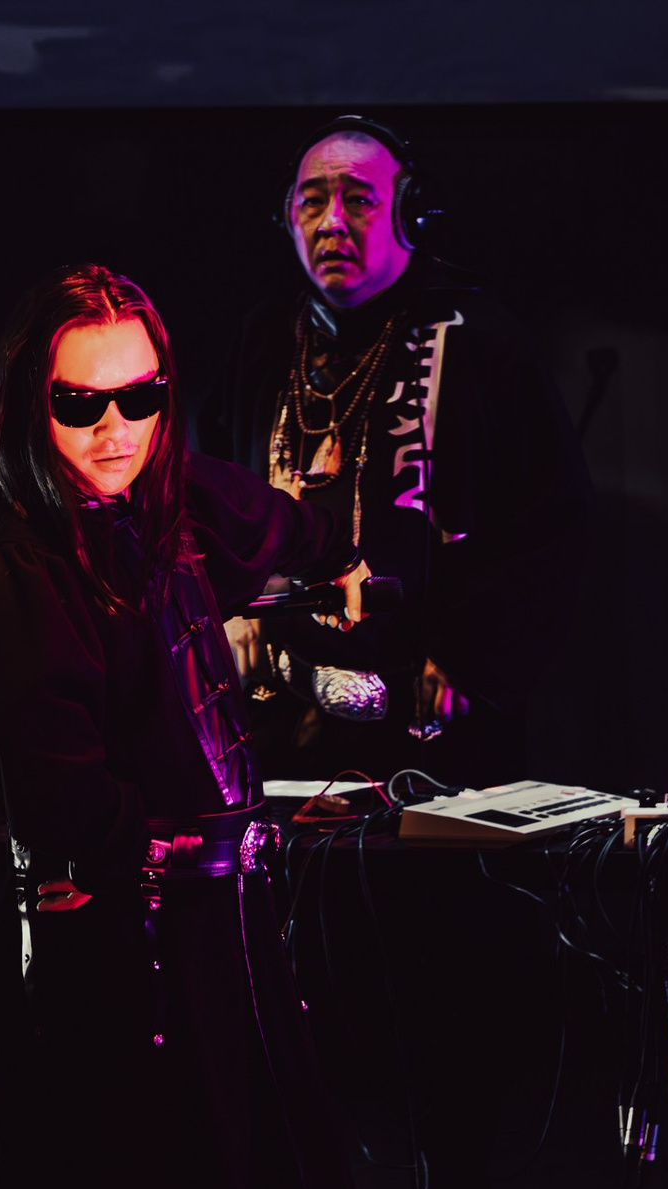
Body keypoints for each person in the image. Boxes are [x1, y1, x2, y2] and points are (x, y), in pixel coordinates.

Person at [0, 263, 373, 1189]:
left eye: (141, 398)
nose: (115, 430)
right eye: (80, 403)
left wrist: (335, 560)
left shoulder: (174, 510)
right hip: (120, 949)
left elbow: (288, 525)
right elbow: (59, 789)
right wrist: (157, 847)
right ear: (30, 405)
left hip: (228, 933)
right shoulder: (20, 569)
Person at [203, 115, 590, 786]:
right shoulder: (263, 341)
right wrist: (232, 607)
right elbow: (214, 495)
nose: (331, 223)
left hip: (429, 721)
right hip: (278, 720)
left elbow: (548, 519)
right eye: (312, 201)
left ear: (408, 213)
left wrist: (474, 658)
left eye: (359, 199)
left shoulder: (479, 339)